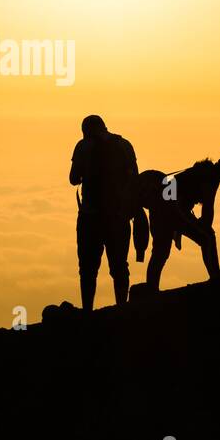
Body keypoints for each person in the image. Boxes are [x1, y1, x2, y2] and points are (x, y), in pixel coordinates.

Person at [136, 153, 220, 291]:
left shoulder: (205, 171)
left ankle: (152, 287)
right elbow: (208, 208)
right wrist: (204, 226)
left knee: (160, 251)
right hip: (170, 206)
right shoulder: (210, 176)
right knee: (207, 237)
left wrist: (200, 224)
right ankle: (216, 278)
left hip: (161, 206)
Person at [69, 115, 142, 310]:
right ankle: (122, 308)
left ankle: (87, 311)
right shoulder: (125, 145)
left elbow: (73, 178)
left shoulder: (83, 146)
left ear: (85, 130)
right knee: (119, 267)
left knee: (88, 269)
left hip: (90, 217)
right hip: (118, 217)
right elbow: (135, 180)